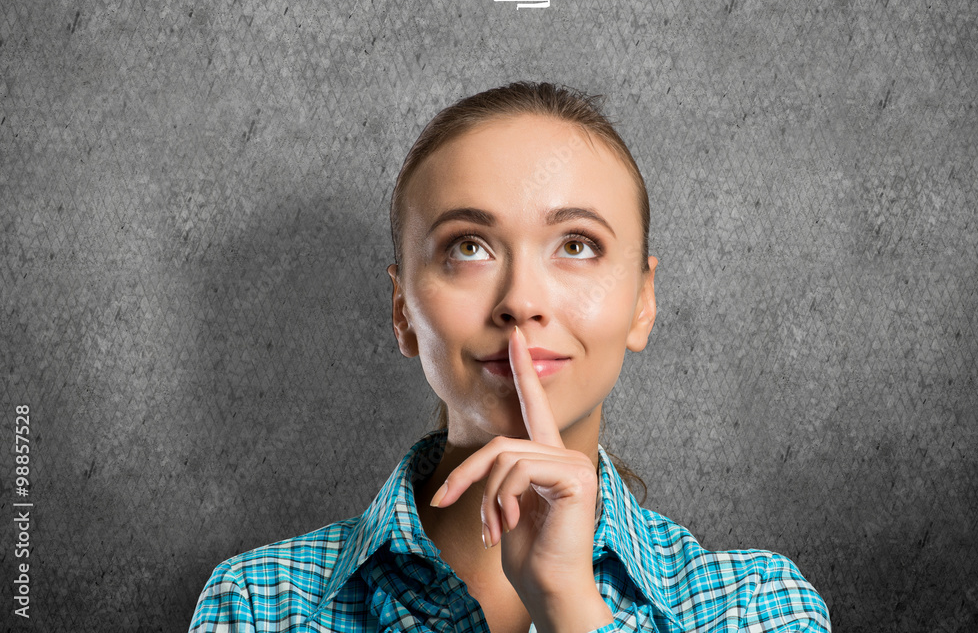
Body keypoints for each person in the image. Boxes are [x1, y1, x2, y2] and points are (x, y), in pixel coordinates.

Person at [189, 81, 831, 633]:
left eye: (577, 245)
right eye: (468, 247)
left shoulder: (755, 608)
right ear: (402, 310)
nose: (521, 302)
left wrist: (569, 606)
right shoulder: (258, 605)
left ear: (642, 301)